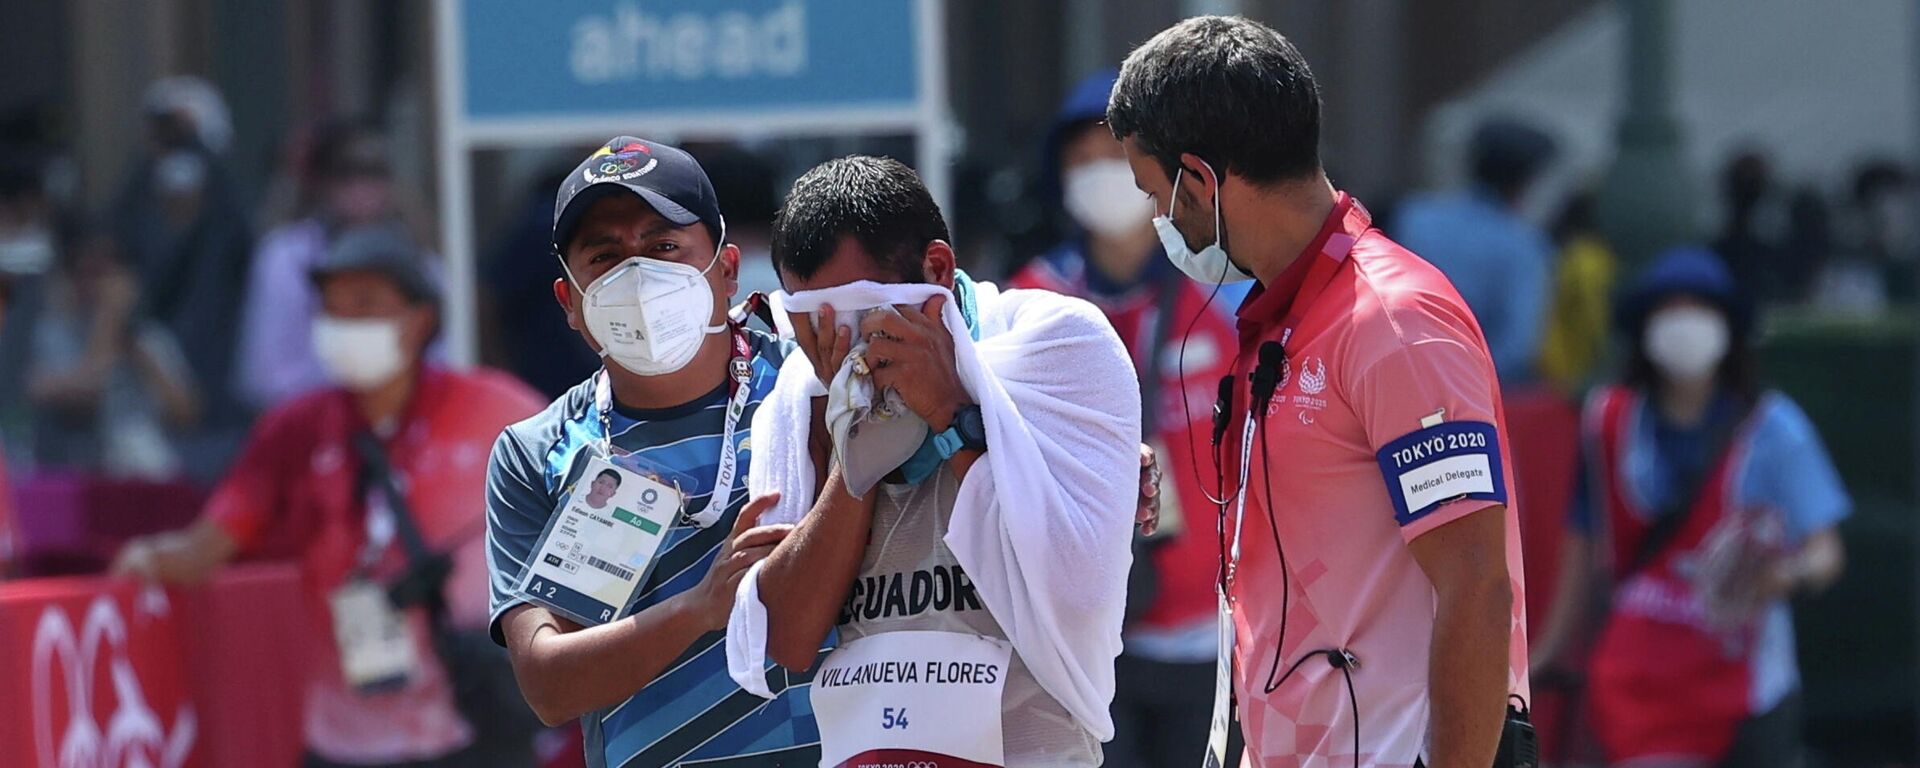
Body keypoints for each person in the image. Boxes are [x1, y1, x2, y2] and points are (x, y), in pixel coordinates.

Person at [1108, 16, 1529, 767]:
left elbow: (1476, 586)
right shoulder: (1283, 317)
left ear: (1201, 181)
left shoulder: (1394, 322)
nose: (1156, 221)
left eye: (1155, 195)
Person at [727, 155, 1141, 767]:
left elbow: (1080, 598)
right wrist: (854, 457)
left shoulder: (1055, 346)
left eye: (855, 316)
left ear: (937, 270)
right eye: (812, 327)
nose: (841, 351)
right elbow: (787, 638)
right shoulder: (800, 397)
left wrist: (950, 411)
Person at [113, 224, 545, 767]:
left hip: (473, 728)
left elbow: (591, 492)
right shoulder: (294, 431)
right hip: (344, 739)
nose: (343, 324)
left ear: (420, 321)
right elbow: (210, 545)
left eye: (364, 305)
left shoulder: (493, 408)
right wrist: (148, 559)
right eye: (331, 308)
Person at [485, 136, 832, 768]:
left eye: (664, 246)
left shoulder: (814, 384)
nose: (637, 276)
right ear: (570, 303)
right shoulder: (537, 452)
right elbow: (548, 685)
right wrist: (697, 610)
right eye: (605, 256)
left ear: (727, 270)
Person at [1530, 248, 1848, 768]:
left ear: (1728, 326)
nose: (1684, 324)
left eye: (1700, 308)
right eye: (1668, 309)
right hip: (1638, 686)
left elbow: (1826, 551)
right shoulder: (1608, 423)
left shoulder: (1774, 429)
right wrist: (1544, 656)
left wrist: (1787, 572)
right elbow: (1582, 548)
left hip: (1743, 690)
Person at [1010, 68, 1240, 768]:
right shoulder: (1030, 301)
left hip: (1211, 631)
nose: (1100, 175)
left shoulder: (1226, 292)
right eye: (1082, 160)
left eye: (1117, 157)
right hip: (1083, 639)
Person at [238, 122, 426, 410]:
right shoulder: (287, 257)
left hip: (405, 419)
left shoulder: (419, 258)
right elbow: (268, 377)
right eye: (346, 174)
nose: (361, 188)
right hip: (309, 425)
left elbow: (443, 357)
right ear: (323, 182)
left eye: (374, 173)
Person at [1393, 118, 1556, 383]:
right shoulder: (1524, 246)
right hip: (1467, 391)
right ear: (1527, 181)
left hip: (1388, 371)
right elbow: (1519, 343)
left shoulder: (1413, 215)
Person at [27, 228, 199, 479]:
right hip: (82, 475)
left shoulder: (150, 336)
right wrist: (108, 319)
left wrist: (137, 350)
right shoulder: (54, 333)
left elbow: (187, 414)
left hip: (149, 477)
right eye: (89, 273)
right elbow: (88, 394)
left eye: (106, 273)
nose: (99, 285)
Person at [1536, 191, 1618, 396]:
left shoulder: (1554, 254)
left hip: (1554, 373)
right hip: (1573, 377)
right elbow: (1595, 323)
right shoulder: (1587, 262)